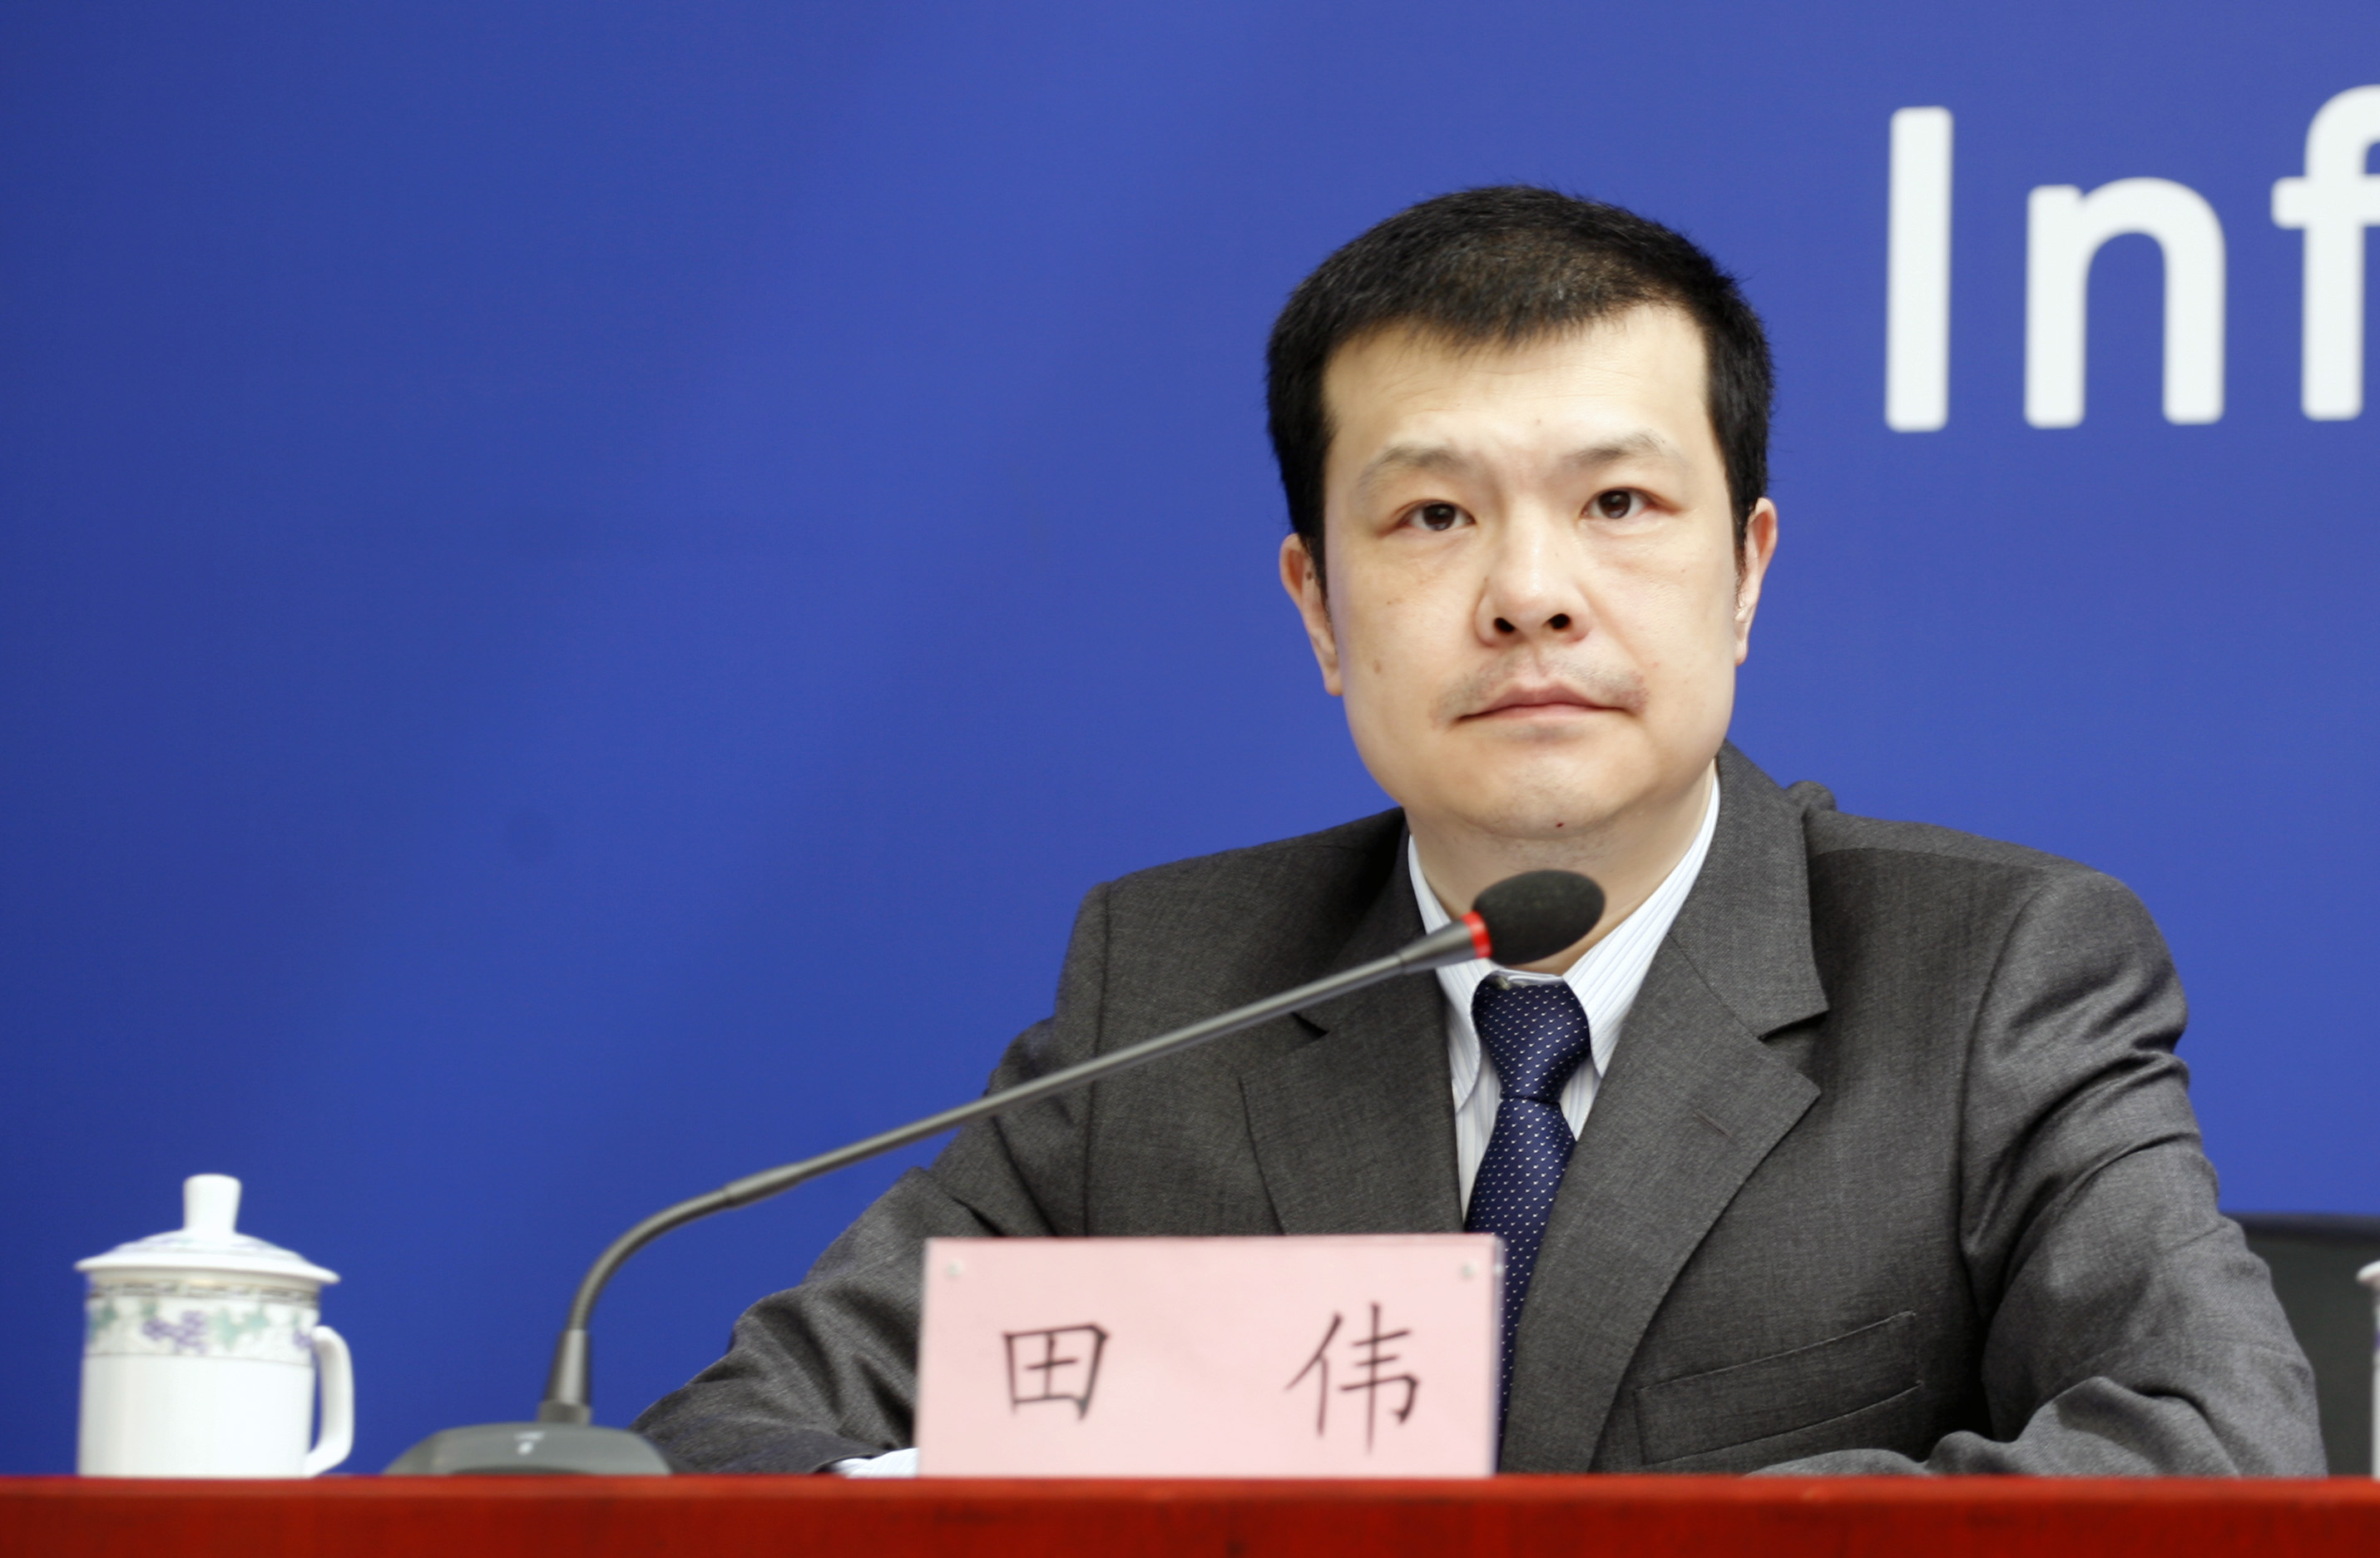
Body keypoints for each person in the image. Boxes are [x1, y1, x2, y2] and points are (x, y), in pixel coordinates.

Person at [634, 187, 2323, 1476]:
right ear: (1317, 606)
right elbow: (736, 1440)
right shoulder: (1171, 987)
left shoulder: (1989, 974)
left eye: (1618, 503)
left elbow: (2214, 1446)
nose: (1528, 593)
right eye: (1433, 514)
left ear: (1745, 573)